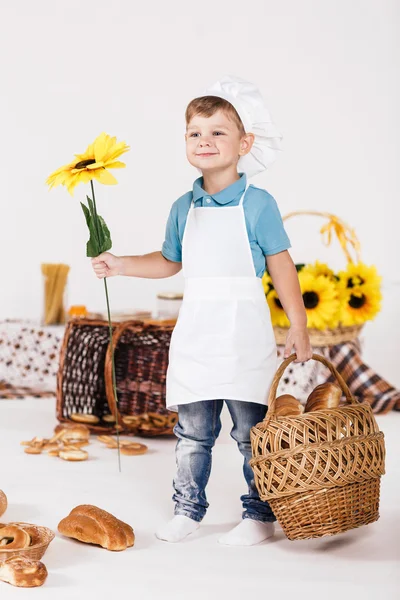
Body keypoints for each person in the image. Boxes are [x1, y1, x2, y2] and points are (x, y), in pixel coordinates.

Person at [91, 75, 312, 546]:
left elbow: (281, 266)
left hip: (244, 332)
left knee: (252, 433)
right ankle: (188, 509)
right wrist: (122, 263)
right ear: (185, 141)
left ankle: (259, 514)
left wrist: (299, 324)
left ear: (245, 142)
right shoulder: (182, 206)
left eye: (218, 132)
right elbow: (171, 261)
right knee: (192, 432)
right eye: (195, 132)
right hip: (196, 333)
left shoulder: (258, 204)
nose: (205, 141)